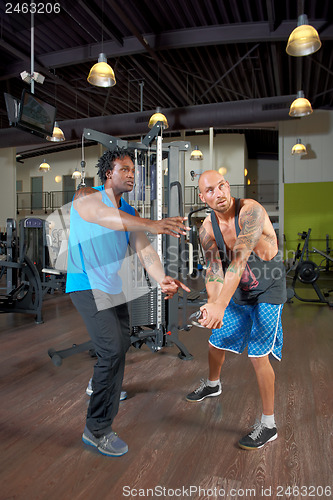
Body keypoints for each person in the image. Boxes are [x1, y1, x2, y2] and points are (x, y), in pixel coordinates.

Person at [66, 147, 190, 457]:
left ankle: (100, 386)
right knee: (110, 348)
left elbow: (144, 249)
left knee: (120, 347)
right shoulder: (87, 196)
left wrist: (162, 278)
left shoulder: (132, 213)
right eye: (125, 169)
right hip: (86, 283)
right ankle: (96, 429)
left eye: (134, 170)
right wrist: (152, 223)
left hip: (113, 287)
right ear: (109, 173)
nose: (132, 174)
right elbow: (103, 217)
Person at [186, 170, 286, 450]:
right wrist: (212, 304)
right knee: (216, 338)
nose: (218, 194)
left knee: (257, 354)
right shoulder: (206, 229)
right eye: (210, 190)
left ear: (227, 186)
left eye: (221, 186)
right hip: (239, 290)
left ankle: (268, 425)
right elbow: (214, 270)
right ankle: (213, 383)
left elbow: (239, 260)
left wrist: (220, 304)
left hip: (268, 289)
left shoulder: (250, 211)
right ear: (201, 196)